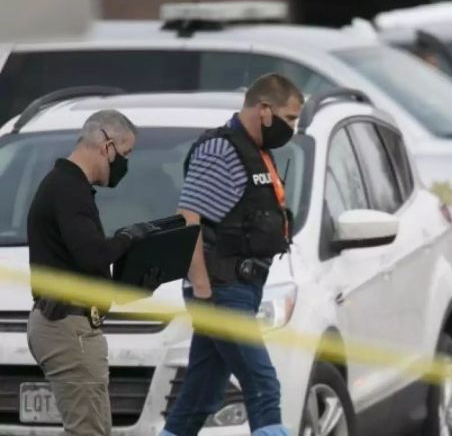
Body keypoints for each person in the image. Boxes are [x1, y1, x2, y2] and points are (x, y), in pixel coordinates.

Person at [161, 73, 303, 436]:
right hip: (222, 289)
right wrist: (203, 288)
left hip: (241, 287)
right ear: (264, 109)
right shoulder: (221, 150)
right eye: (289, 118)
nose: (293, 128)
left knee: (200, 396)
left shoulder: (257, 153)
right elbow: (188, 218)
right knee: (263, 387)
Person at [27, 110, 156, 435]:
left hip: (69, 324)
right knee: (89, 430)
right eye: (125, 154)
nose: (125, 164)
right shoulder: (69, 189)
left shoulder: (68, 186)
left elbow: (82, 268)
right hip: (68, 327)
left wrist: (135, 282)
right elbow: (91, 254)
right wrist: (128, 238)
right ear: (106, 145)